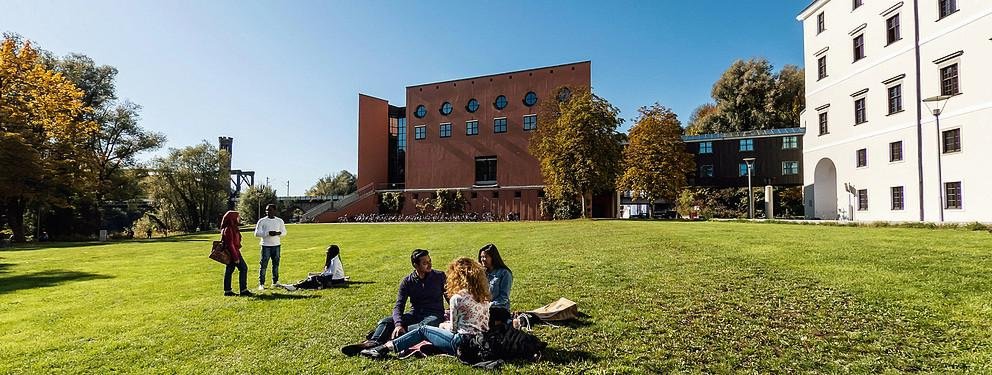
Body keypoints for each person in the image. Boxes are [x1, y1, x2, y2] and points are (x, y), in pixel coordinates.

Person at [360, 256, 491, 359]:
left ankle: (383, 348)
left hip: (461, 342)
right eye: (425, 262)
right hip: (480, 342)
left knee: (423, 330)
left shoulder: (457, 297)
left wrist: (443, 326)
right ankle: (377, 341)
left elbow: (454, 329)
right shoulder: (484, 297)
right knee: (390, 321)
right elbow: (399, 305)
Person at [341, 249, 446, 356]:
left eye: (430, 261)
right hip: (415, 314)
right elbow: (399, 306)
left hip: (434, 314)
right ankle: (372, 343)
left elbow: (449, 296)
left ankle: (389, 337)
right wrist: (398, 324)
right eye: (425, 263)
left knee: (424, 327)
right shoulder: (407, 282)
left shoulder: (440, 276)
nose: (429, 264)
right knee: (386, 321)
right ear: (416, 265)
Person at [278, 244, 347, 291]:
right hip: (335, 278)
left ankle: (295, 286)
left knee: (314, 278)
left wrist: (320, 277)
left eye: (328, 251)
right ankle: (300, 285)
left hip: (336, 280)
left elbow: (331, 274)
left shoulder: (334, 260)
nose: (326, 252)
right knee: (311, 275)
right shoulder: (334, 258)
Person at [254, 204, 286, 290]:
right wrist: (267, 233)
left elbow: (284, 232)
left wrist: (278, 233)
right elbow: (256, 233)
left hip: (276, 245)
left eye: (270, 210)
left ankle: (275, 282)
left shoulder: (279, 221)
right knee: (263, 265)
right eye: (267, 210)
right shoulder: (262, 221)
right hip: (265, 246)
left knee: (276, 265)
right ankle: (261, 284)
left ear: (275, 211)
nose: (268, 212)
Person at [220, 210, 253, 297]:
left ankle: (227, 291)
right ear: (232, 218)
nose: (239, 218)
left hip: (234, 252)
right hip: (233, 253)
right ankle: (243, 290)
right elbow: (230, 244)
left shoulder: (232, 227)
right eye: (238, 216)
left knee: (229, 270)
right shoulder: (228, 229)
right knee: (243, 268)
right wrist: (236, 258)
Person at [478, 243, 513, 312]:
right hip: (482, 309)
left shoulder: (505, 273)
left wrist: (488, 306)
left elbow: (503, 298)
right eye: (481, 257)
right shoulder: (481, 272)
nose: (483, 259)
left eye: (485, 257)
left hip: (498, 309)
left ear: (493, 258)